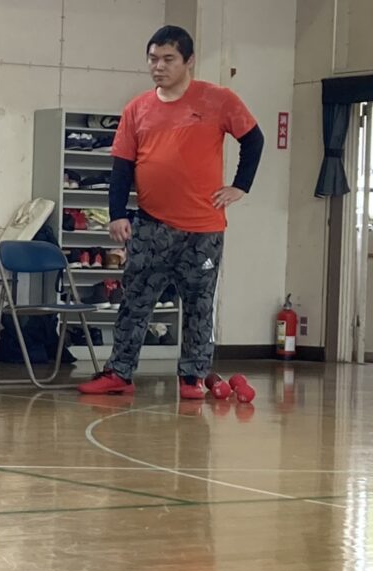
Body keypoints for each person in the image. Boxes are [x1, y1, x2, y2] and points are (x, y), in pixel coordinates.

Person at [77, 25, 263, 399]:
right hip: (152, 226)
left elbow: (253, 139)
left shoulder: (218, 99)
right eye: (152, 59)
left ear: (188, 61)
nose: (158, 66)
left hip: (203, 229)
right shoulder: (137, 108)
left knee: (199, 305)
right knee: (134, 302)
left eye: (168, 59)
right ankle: (119, 372)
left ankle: (192, 376)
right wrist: (117, 214)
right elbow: (121, 165)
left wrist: (241, 186)